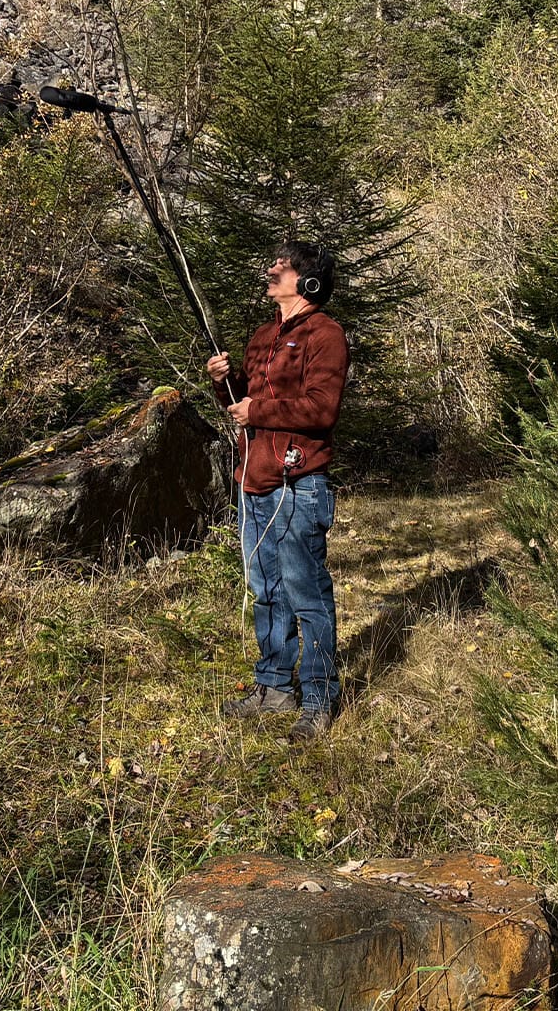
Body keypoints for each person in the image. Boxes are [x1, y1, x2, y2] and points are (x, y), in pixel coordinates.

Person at [206, 241, 349, 742]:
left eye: (281, 267)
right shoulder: (264, 335)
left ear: (307, 282)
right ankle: (273, 688)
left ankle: (318, 697)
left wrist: (258, 411)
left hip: (299, 484)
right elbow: (244, 401)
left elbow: (321, 409)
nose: (270, 271)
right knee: (266, 592)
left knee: (306, 596)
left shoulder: (325, 334)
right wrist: (227, 384)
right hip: (254, 480)